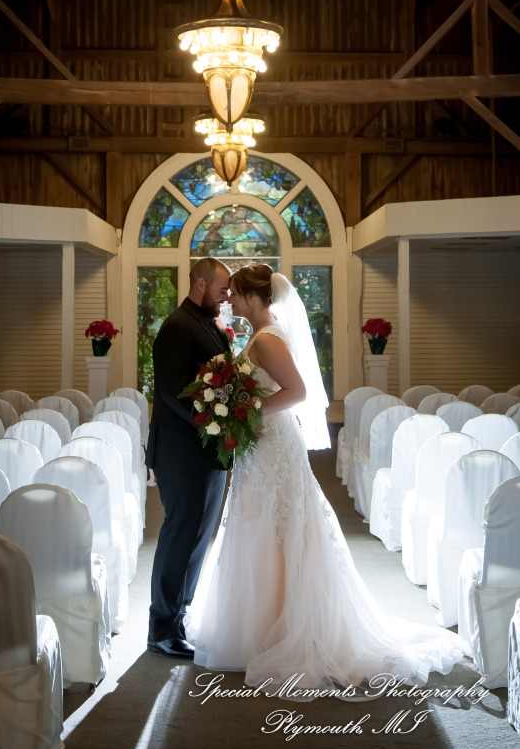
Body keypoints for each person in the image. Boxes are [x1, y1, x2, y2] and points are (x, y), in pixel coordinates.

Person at [186, 264, 466, 690]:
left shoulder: (268, 337)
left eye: (237, 294)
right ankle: (257, 628)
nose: (233, 300)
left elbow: (297, 392)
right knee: (257, 526)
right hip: (259, 445)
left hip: (273, 443)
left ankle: (283, 630)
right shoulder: (260, 334)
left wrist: (245, 410)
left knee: (278, 525)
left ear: (254, 297)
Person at [147, 257, 231, 658]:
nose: (226, 295)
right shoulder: (177, 327)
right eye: (222, 288)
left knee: (199, 538)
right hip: (182, 452)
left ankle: (178, 616)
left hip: (208, 451)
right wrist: (212, 422)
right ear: (200, 284)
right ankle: (161, 626)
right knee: (180, 535)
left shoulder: (206, 325)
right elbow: (171, 389)